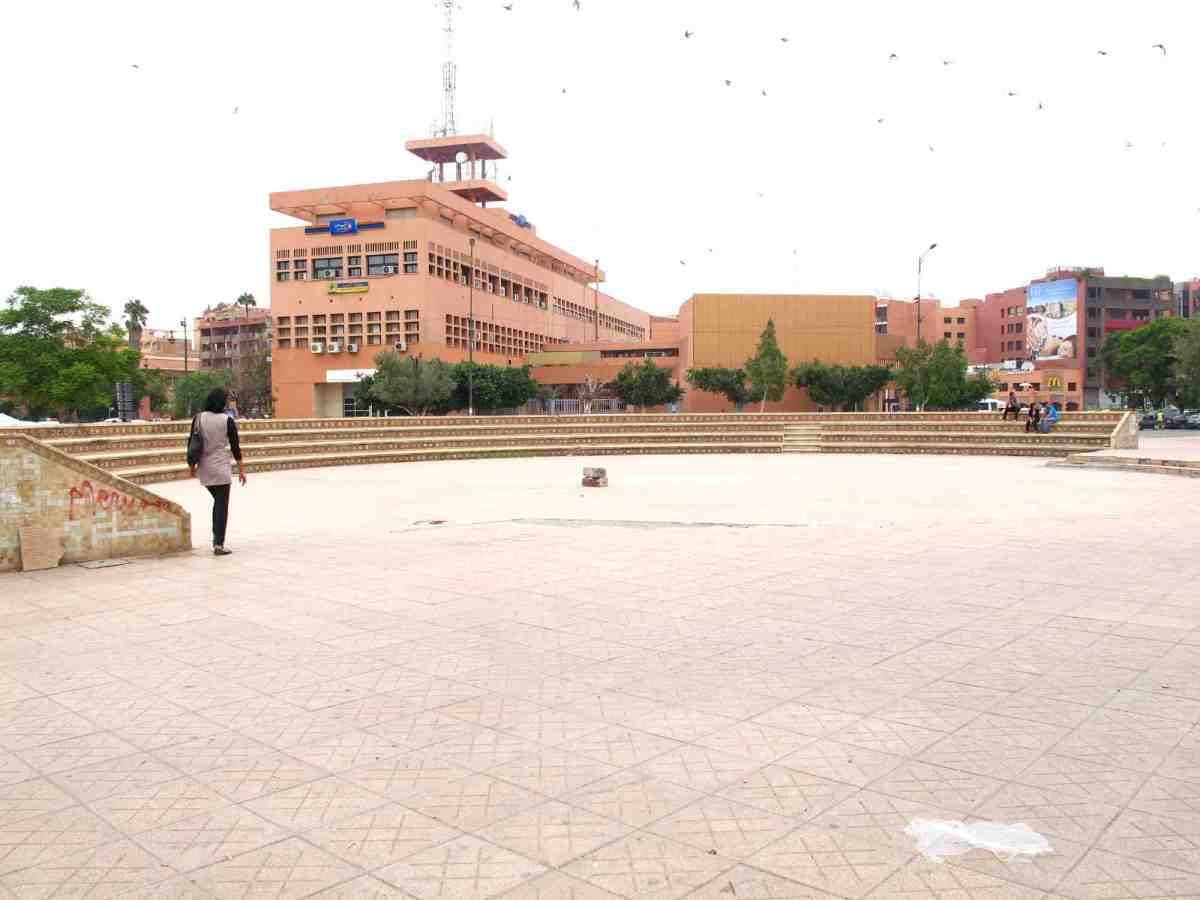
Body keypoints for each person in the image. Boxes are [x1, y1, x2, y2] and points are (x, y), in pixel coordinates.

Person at [188, 388, 246, 556]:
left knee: (218, 502)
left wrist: (191, 467)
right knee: (221, 504)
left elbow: (192, 443)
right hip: (221, 468)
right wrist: (241, 470)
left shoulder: (198, 418)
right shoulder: (227, 420)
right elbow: (235, 447)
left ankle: (217, 539)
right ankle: (218, 544)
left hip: (204, 467)